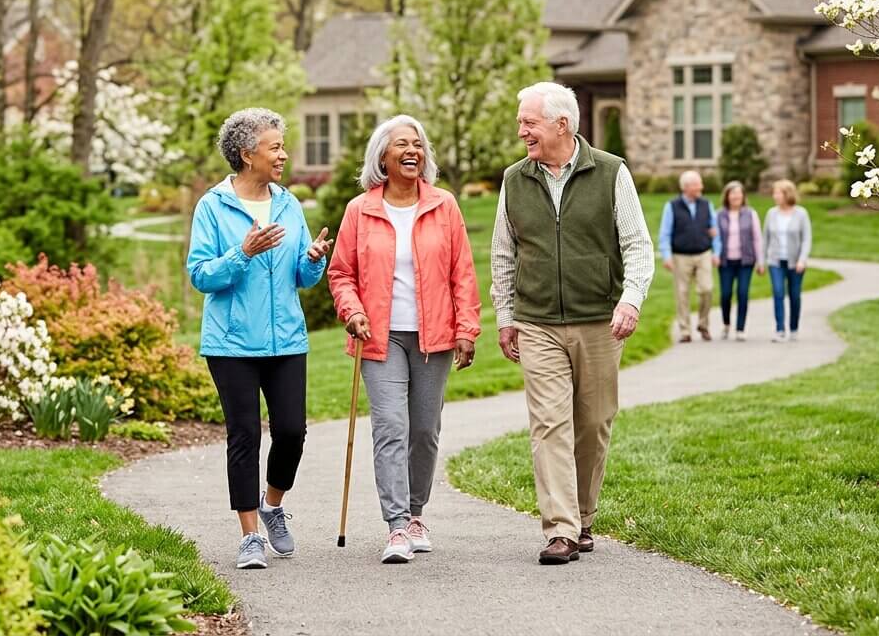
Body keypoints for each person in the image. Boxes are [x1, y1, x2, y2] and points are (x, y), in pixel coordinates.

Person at [490, 81, 654, 565]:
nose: (521, 131)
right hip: (538, 321)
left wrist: (631, 300)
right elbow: (504, 252)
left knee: (594, 423)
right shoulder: (515, 179)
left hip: (599, 320)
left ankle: (583, 516)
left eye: (529, 122)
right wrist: (506, 316)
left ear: (561, 124)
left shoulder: (610, 172)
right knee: (548, 424)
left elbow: (638, 246)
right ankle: (559, 528)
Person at [327, 114, 481, 565]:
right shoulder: (361, 209)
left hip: (434, 336)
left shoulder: (443, 206)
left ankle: (416, 514)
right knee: (390, 427)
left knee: (424, 430)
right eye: (401, 144)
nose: (412, 150)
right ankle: (395, 526)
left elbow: (463, 273)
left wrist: (467, 329)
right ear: (383, 157)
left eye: (417, 144)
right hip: (379, 335)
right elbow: (341, 274)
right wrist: (351, 311)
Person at [186, 107, 334, 570]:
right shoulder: (213, 206)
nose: (284, 155)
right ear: (248, 154)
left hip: (286, 339)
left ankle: (273, 505)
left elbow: (302, 278)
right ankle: (250, 535)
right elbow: (200, 275)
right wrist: (241, 253)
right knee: (245, 435)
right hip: (231, 344)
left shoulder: (288, 204)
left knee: (292, 431)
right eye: (275, 147)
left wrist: (312, 258)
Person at [657, 171, 719, 342]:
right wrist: (666, 255)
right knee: (682, 293)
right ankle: (685, 330)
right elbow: (665, 233)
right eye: (698, 184)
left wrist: (717, 252)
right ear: (687, 187)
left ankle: (703, 324)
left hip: (704, 253)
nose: (701, 187)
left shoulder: (707, 204)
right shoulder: (672, 206)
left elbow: (714, 230)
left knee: (707, 289)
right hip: (681, 256)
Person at [763, 179, 812, 342]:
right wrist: (761, 260)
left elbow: (806, 239)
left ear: (787, 194)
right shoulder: (771, 213)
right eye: (774, 193)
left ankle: (794, 328)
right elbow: (766, 239)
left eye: (778, 193)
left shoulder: (801, 214)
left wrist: (802, 260)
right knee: (778, 293)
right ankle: (780, 330)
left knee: (794, 295)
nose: (774, 196)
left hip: (795, 262)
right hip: (775, 261)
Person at [715, 181, 764, 341]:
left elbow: (757, 238)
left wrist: (761, 261)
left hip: (746, 261)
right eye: (732, 193)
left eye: (739, 193)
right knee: (726, 294)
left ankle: (740, 328)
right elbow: (714, 238)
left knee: (742, 293)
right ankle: (726, 324)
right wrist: (714, 254)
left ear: (743, 196)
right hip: (726, 261)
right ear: (727, 196)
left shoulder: (750, 214)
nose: (736, 196)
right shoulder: (719, 214)